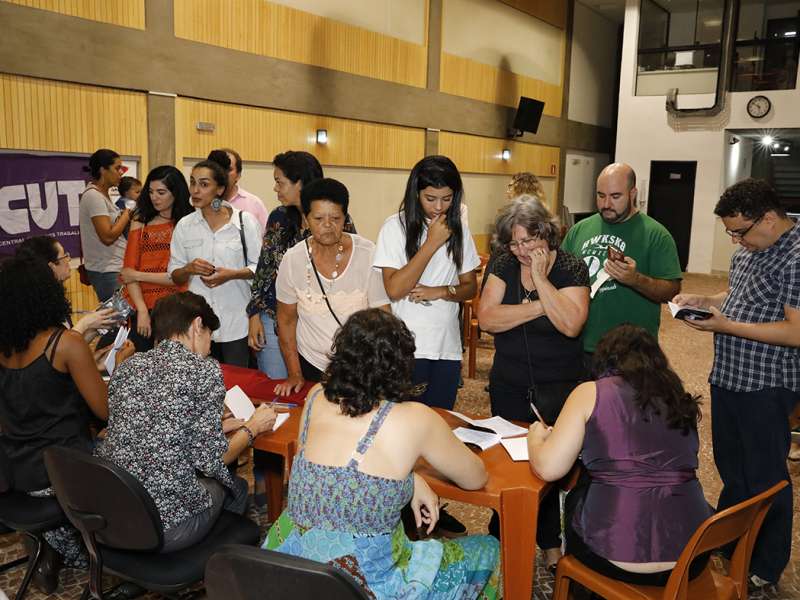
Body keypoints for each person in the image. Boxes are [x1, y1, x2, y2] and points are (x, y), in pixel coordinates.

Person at [263, 308, 500, 599]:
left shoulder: (316, 398)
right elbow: (475, 478)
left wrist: (410, 479)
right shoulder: (416, 418)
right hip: (366, 586)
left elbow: (336, 478)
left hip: (288, 569)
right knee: (490, 550)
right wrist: (411, 478)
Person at [672, 178, 800, 588]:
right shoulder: (749, 248)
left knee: (765, 478)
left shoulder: (796, 256)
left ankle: (765, 564)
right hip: (729, 375)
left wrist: (727, 326)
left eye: (739, 232)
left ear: (768, 219)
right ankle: (732, 542)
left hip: (767, 384)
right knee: (733, 470)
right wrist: (706, 302)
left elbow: (795, 331)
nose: (735, 241)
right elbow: (739, 293)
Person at [528, 324, 712, 584]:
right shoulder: (678, 397)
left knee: (577, 494)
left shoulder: (591, 391)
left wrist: (535, 438)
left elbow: (549, 468)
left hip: (617, 554)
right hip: (692, 555)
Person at [96, 291, 276, 552]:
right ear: (197, 325)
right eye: (210, 336)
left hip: (115, 512)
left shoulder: (129, 366)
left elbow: (153, 426)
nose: (210, 346)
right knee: (235, 487)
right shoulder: (202, 370)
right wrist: (253, 427)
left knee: (225, 485)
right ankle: (212, 561)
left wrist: (215, 427)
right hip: (165, 526)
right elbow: (213, 460)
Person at [0, 256, 133, 591]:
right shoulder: (65, 343)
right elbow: (106, 411)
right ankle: (118, 555)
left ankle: (50, 548)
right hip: (63, 472)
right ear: (46, 294)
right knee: (134, 454)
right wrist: (121, 364)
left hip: (19, 470)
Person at [477, 195, 589, 568]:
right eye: (514, 243)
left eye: (528, 240)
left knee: (552, 469)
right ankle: (504, 539)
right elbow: (488, 319)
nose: (521, 250)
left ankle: (552, 542)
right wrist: (544, 306)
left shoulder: (571, 267)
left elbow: (571, 325)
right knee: (507, 466)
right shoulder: (503, 263)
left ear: (546, 233)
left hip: (559, 387)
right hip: (508, 383)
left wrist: (541, 280)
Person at [374, 155, 480, 409]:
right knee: (404, 422)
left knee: (442, 420)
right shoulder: (394, 227)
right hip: (407, 348)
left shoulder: (459, 230)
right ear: (416, 193)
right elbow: (394, 289)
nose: (439, 207)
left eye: (447, 199)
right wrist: (432, 243)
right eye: (430, 199)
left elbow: (470, 287)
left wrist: (441, 291)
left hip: (446, 346)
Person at [274, 178, 389, 395]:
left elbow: (383, 318)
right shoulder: (293, 259)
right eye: (318, 218)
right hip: (311, 364)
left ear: (345, 218)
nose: (327, 225)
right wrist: (294, 373)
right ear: (305, 220)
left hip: (360, 368)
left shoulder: (368, 254)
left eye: (335, 218)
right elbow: (286, 321)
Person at [247, 151, 356, 379]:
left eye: (280, 182)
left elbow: (349, 266)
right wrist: (254, 314)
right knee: (279, 386)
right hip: (275, 316)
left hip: (319, 321)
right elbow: (265, 268)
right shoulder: (279, 217)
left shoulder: (336, 220)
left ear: (300, 183)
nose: (275, 188)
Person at [561, 162, 682, 363]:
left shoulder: (656, 235)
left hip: (631, 353)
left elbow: (671, 291)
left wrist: (635, 279)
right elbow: (560, 277)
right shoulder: (579, 230)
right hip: (581, 345)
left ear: (633, 194)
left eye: (616, 196)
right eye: (601, 195)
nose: (606, 204)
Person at [168, 160, 262, 367]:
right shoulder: (185, 225)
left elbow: (261, 270)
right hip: (197, 327)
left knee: (236, 382)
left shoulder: (245, 222)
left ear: (219, 189)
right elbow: (174, 275)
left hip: (236, 322)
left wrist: (232, 274)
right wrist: (188, 269)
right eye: (192, 183)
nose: (195, 190)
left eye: (204, 184)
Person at [119, 165, 193, 351]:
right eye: (151, 192)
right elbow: (128, 272)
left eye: (161, 192)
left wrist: (138, 275)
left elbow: (180, 276)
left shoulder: (189, 224)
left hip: (177, 307)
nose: (154, 197)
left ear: (176, 193)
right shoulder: (141, 221)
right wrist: (142, 310)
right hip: (142, 305)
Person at [15, 236, 118, 343]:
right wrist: (85, 323)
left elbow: (72, 346)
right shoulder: (34, 307)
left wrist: (96, 326)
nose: (69, 259)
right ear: (51, 267)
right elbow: (57, 347)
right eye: (64, 256)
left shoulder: (53, 297)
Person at [78, 149, 132, 301]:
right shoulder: (93, 196)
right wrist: (127, 214)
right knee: (120, 315)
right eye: (117, 168)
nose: (121, 172)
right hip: (107, 271)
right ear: (103, 170)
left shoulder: (103, 195)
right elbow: (107, 237)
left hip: (115, 267)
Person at [208, 148, 269, 232]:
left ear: (238, 175)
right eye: (218, 169)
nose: (222, 174)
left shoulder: (254, 204)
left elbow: (265, 237)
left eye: (228, 169)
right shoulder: (202, 202)